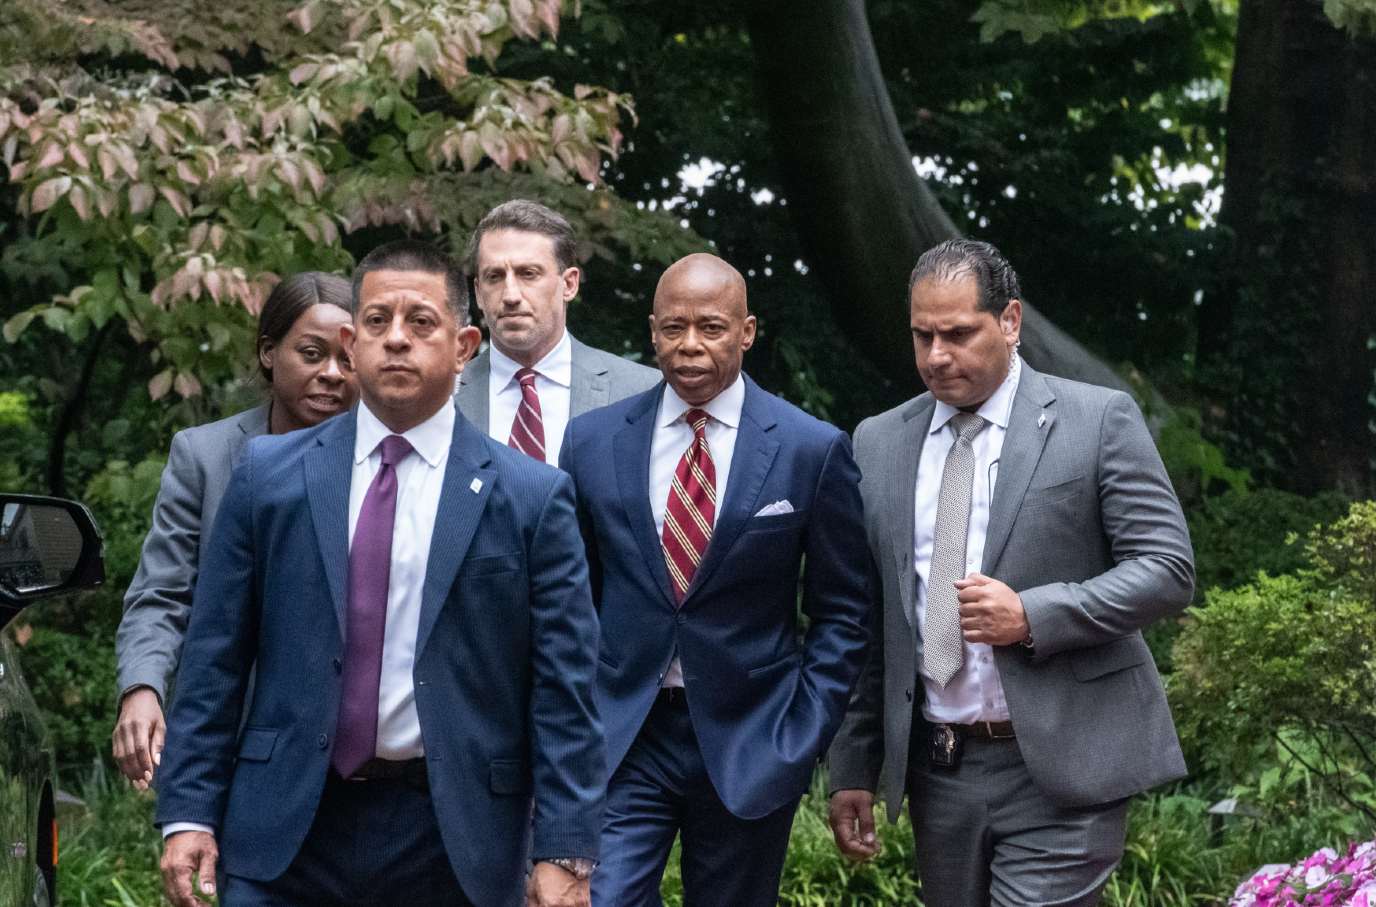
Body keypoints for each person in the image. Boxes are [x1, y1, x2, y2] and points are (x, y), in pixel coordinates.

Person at [153, 241, 604, 907]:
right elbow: (214, 657)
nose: (396, 339)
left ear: (465, 345)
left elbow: (565, 688)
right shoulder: (269, 475)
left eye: (421, 322)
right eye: (377, 321)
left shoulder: (531, 497)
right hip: (285, 829)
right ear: (351, 338)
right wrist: (189, 809)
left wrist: (563, 848)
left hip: (452, 837)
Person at [825, 238, 1195, 906]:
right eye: (923, 336)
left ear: (1011, 322)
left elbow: (1168, 568)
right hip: (940, 768)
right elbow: (874, 614)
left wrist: (1034, 614)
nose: (938, 356)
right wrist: (854, 761)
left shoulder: (1096, 420)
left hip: (1062, 761)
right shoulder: (878, 441)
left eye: (960, 333)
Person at [558, 253, 871, 906]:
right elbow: (571, 599)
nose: (690, 345)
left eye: (711, 326)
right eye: (674, 327)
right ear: (652, 331)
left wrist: (802, 732)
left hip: (752, 741)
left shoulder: (809, 447)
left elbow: (843, 612)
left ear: (747, 331)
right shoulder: (589, 443)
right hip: (623, 737)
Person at [112, 272, 356, 790]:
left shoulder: (385, 461)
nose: (332, 373)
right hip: (237, 744)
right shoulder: (204, 456)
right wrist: (142, 686)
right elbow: (162, 593)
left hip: (355, 749)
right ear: (269, 352)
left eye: (348, 359)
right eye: (312, 354)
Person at [455, 199, 659, 464]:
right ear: (479, 293)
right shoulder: (442, 396)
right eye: (494, 277)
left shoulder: (642, 391)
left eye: (528, 274)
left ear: (569, 284)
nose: (510, 295)